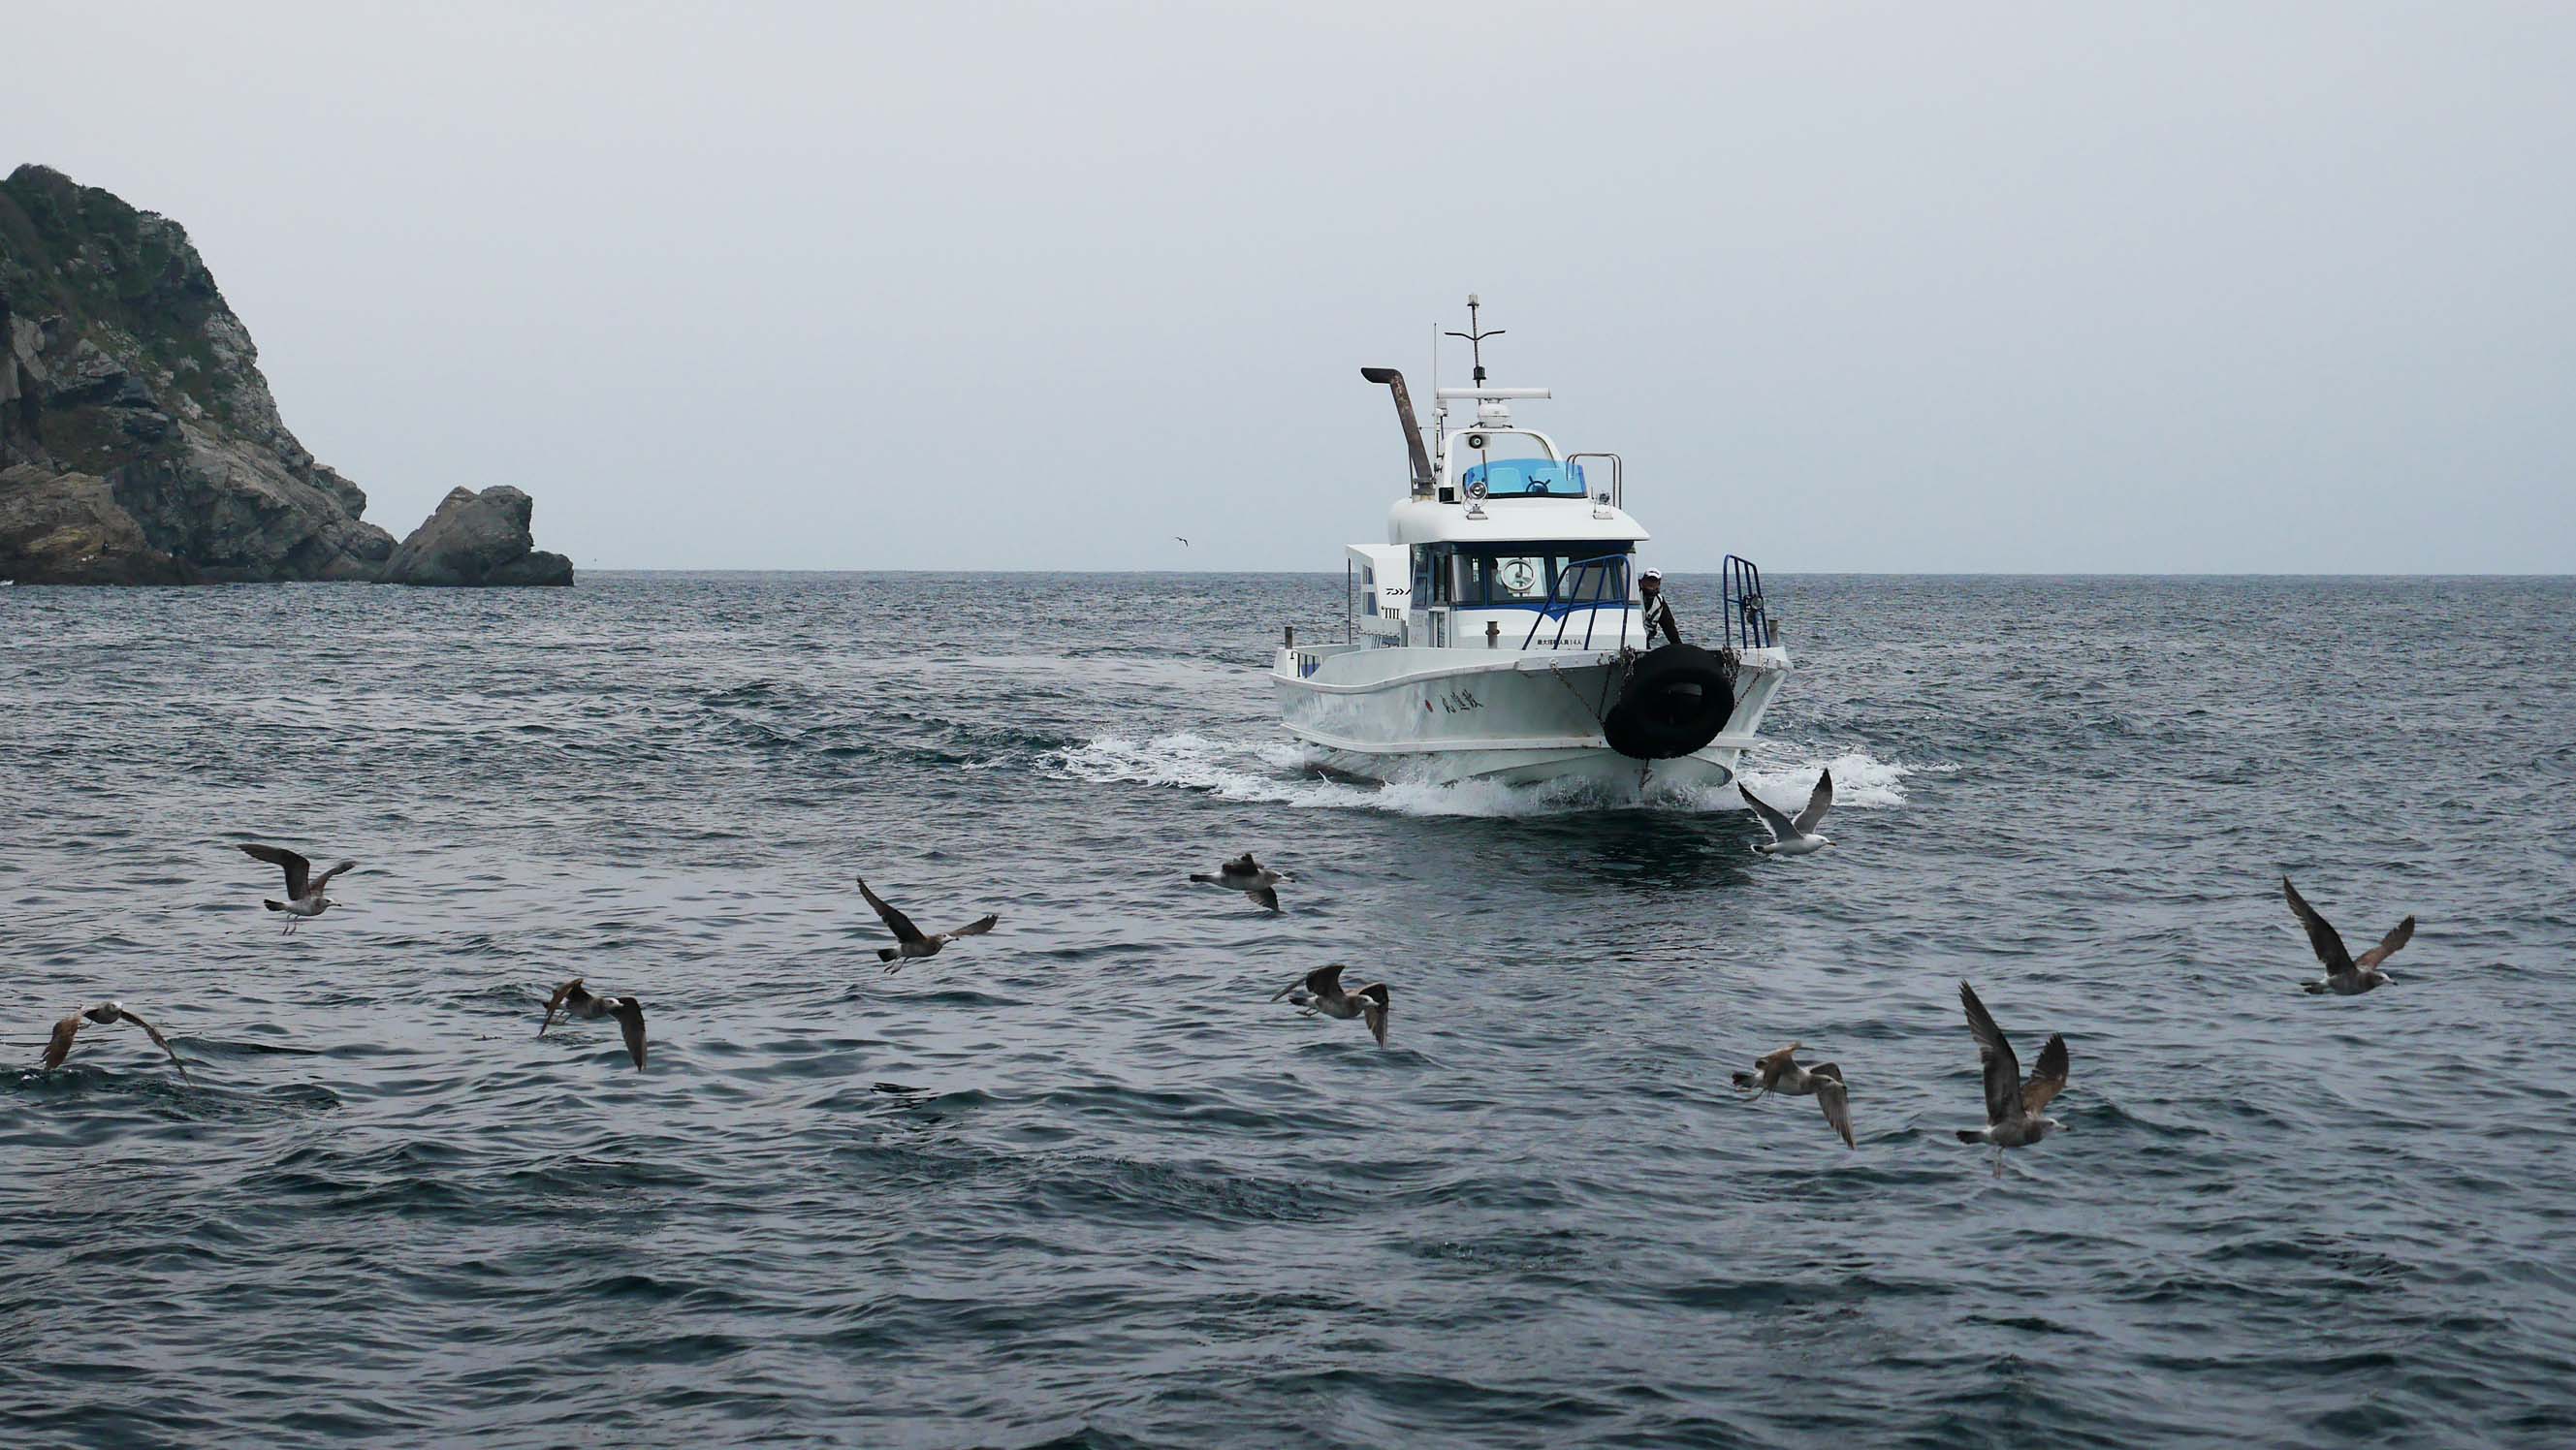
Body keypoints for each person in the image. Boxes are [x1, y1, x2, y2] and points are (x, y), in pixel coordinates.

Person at [1638, 567, 1682, 646]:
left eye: (1654, 581)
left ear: (1658, 584)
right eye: (1649, 580)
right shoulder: (1632, 594)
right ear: (1643, 580)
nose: (1651, 583)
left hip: (1645, 642)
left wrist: (1679, 646)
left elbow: (1669, 627)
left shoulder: (1660, 603)